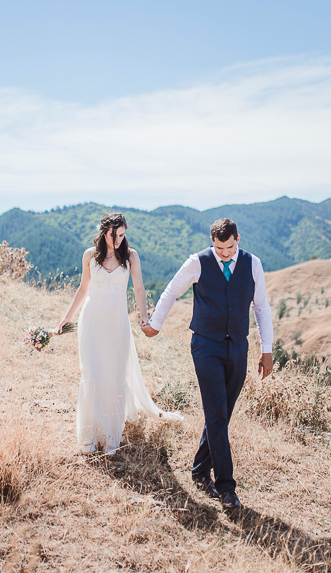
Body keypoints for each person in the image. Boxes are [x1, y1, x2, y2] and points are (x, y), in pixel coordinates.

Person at [142, 217, 273, 512]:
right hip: (206, 346)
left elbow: (261, 307)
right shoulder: (197, 262)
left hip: (238, 346)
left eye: (229, 247)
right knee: (215, 414)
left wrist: (267, 350)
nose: (225, 253)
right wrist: (155, 325)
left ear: (238, 238)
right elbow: (171, 291)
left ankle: (200, 470)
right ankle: (226, 487)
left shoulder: (253, 264)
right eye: (219, 248)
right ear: (211, 242)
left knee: (221, 414)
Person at [58, 213, 182, 455]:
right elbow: (83, 289)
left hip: (117, 321)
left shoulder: (131, 256)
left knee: (113, 375)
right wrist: (67, 317)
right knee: (92, 373)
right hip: (92, 319)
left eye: (122, 235)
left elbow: (139, 288)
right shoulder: (89, 255)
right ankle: (89, 436)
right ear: (104, 232)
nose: (118, 239)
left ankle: (111, 437)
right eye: (114, 234)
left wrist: (144, 316)